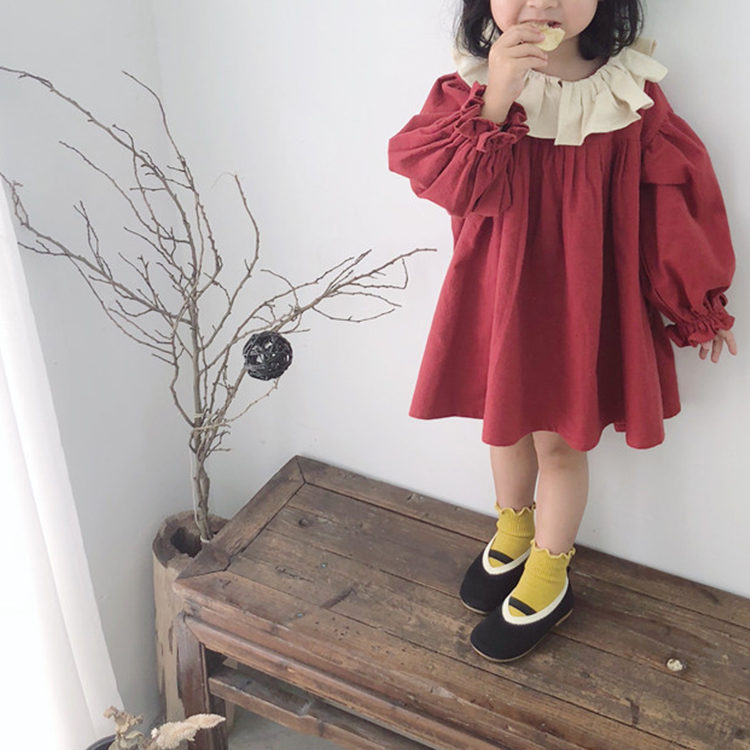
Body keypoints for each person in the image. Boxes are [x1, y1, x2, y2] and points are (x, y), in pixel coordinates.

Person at [388, 0, 738, 662]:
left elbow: (670, 203)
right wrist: (497, 96)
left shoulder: (628, 93)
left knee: (558, 443)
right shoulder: (471, 87)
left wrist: (696, 300)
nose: (543, 2)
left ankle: (551, 572)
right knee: (504, 426)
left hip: (581, 304)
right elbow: (445, 183)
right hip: (499, 296)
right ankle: (513, 531)